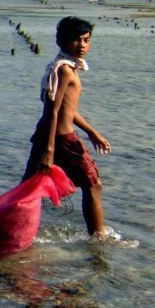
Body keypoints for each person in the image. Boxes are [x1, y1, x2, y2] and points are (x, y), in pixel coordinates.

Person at [23, 16, 112, 239]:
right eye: (76, 40)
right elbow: (52, 111)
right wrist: (50, 151)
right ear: (60, 41)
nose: (82, 45)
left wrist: (91, 132)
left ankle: (4, 228)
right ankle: (99, 238)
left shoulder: (64, 67)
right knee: (93, 185)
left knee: (27, 188)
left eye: (86, 40)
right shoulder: (64, 71)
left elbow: (67, 110)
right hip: (61, 140)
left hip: (47, 136)